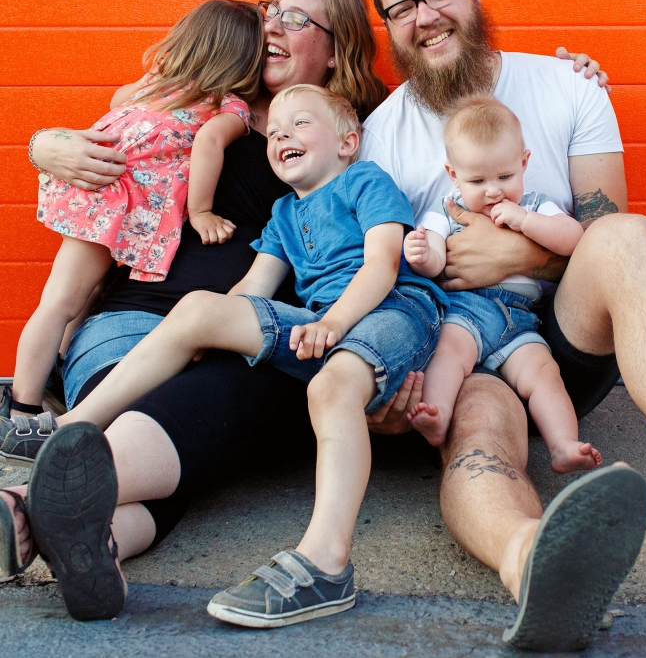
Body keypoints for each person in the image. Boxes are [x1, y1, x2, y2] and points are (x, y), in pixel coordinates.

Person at [0, 0, 607, 623]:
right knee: (186, 416)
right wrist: (45, 144)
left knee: (213, 424)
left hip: (286, 339)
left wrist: (572, 78)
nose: (270, 27)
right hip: (136, 324)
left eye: (295, 18)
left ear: (337, 55)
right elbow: (116, 133)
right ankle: (64, 500)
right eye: (269, 12)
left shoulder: (364, 142)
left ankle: (40, 511)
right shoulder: (206, 101)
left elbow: (445, 169)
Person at [361, 0, 646, 649]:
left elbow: (604, 232)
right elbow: (380, 266)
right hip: (463, 347)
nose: (425, 16)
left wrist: (520, 254)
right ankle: (534, 561)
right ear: (389, 27)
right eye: (402, 8)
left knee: (629, 236)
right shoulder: (381, 134)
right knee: (478, 429)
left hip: (566, 337)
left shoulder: (568, 86)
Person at [27, 84, 445, 626]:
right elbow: (254, 288)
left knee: (331, 386)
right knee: (201, 307)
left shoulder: (366, 181)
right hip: (319, 324)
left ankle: (326, 563)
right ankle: (75, 427)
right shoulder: (284, 213)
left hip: (393, 312)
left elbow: (382, 266)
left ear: (348, 142)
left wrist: (333, 323)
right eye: (275, 132)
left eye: (300, 124)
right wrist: (211, 330)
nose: (282, 136)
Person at [4, 0, 261, 422]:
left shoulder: (156, 84)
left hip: (99, 193)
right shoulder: (229, 106)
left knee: (85, 293)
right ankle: (22, 409)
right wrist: (200, 213)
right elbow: (209, 142)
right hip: (114, 203)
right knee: (60, 303)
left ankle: (58, 372)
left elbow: (118, 99)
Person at [404, 97, 602, 478]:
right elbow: (437, 259)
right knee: (447, 355)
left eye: (505, 177)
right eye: (478, 181)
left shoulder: (534, 204)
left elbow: (573, 237)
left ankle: (564, 445)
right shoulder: (447, 209)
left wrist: (525, 221)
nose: (493, 191)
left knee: (544, 374)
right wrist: (421, 254)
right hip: (465, 311)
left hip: (519, 320)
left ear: (524, 163)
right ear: (453, 175)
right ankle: (437, 415)